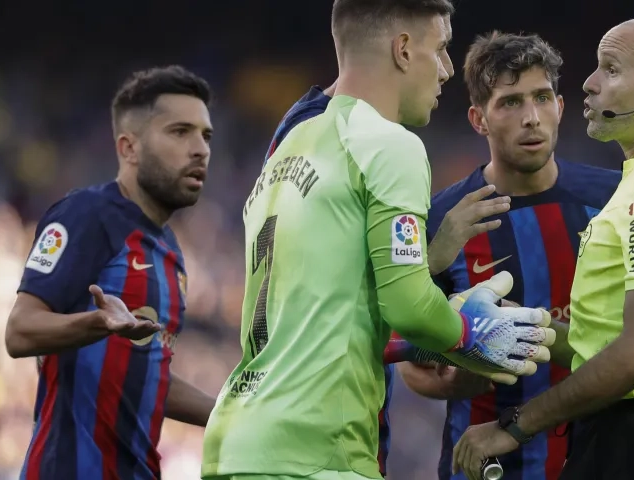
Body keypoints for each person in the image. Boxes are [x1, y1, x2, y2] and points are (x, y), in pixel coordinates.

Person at [201, 1, 556, 479]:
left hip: (237, 443)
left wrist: (435, 324)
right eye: (442, 48)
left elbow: (331, 309)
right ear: (404, 50)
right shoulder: (390, 144)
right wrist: (471, 333)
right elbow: (407, 306)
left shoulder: (290, 143)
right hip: (316, 452)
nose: (448, 69)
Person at [452, 15, 634, 480]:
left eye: (610, 69)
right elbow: (607, 345)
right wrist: (525, 325)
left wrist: (514, 426)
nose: (589, 84)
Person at [397, 32, 621, 480]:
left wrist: (536, 338)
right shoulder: (442, 219)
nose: (531, 118)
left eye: (541, 98)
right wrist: (469, 369)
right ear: (479, 119)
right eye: (511, 103)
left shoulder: (616, 197)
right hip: (488, 466)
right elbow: (413, 366)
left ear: (560, 107)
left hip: (602, 458)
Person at [4, 66, 218, 479]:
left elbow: (148, 378)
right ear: (129, 148)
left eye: (206, 135)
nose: (200, 149)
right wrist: (98, 322)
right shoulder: (87, 215)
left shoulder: (171, 254)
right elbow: (19, 331)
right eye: (180, 132)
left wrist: (237, 413)